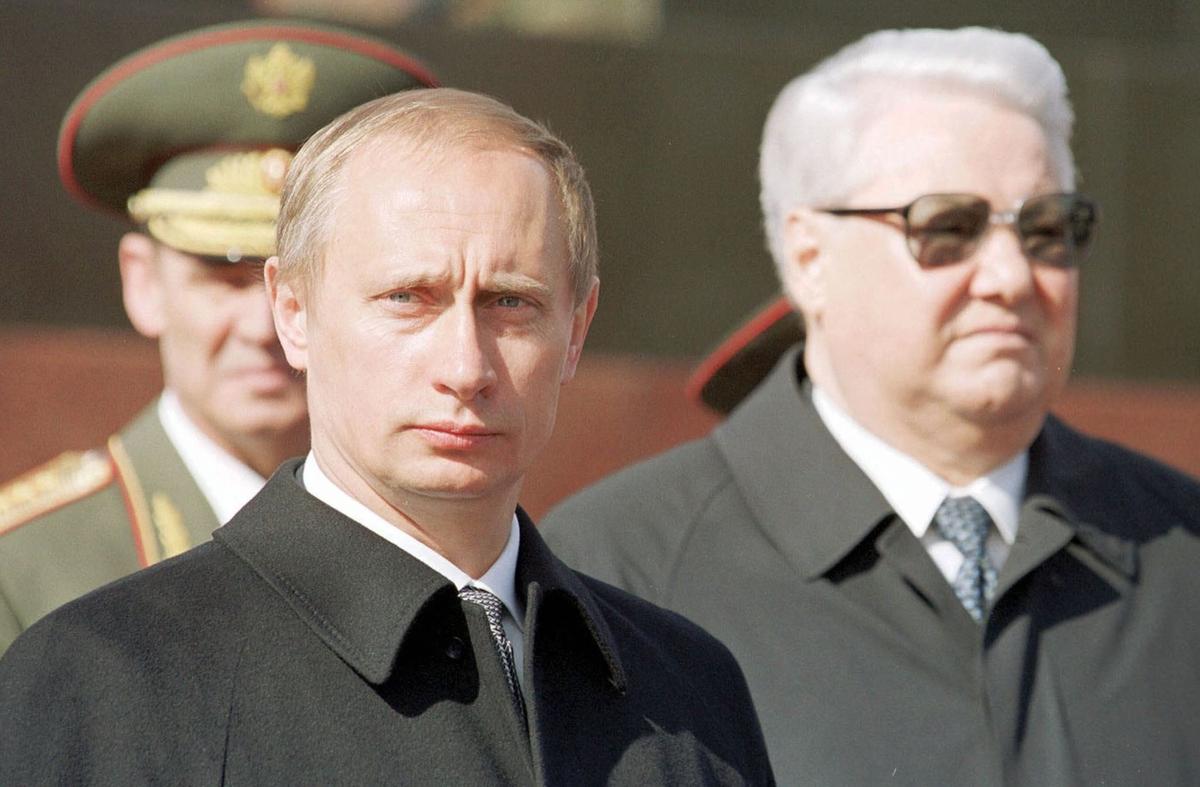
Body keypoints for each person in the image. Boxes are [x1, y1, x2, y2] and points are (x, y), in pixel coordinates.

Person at [0, 87, 774, 785]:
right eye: (408, 297)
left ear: (577, 329)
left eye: (510, 302)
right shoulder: (111, 679)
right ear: (294, 312)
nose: (465, 366)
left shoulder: (686, 686)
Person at [543, 26, 1200, 785]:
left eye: (1047, 229)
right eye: (948, 229)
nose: (1013, 276)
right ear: (810, 258)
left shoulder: (1178, 550)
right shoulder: (619, 571)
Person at [0, 20, 437, 653]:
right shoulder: (29, 567)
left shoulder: (435, 538)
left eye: (300, 280)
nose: (265, 326)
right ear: (143, 283)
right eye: (223, 278)